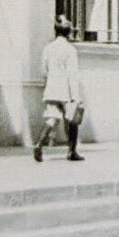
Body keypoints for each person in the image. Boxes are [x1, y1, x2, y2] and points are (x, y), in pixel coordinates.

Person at [36, 15, 83, 162]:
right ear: (68, 32)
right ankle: (72, 151)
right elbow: (72, 74)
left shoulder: (48, 48)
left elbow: (43, 71)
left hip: (52, 88)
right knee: (72, 121)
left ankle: (39, 143)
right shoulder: (70, 50)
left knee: (52, 119)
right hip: (66, 90)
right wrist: (76, 97)